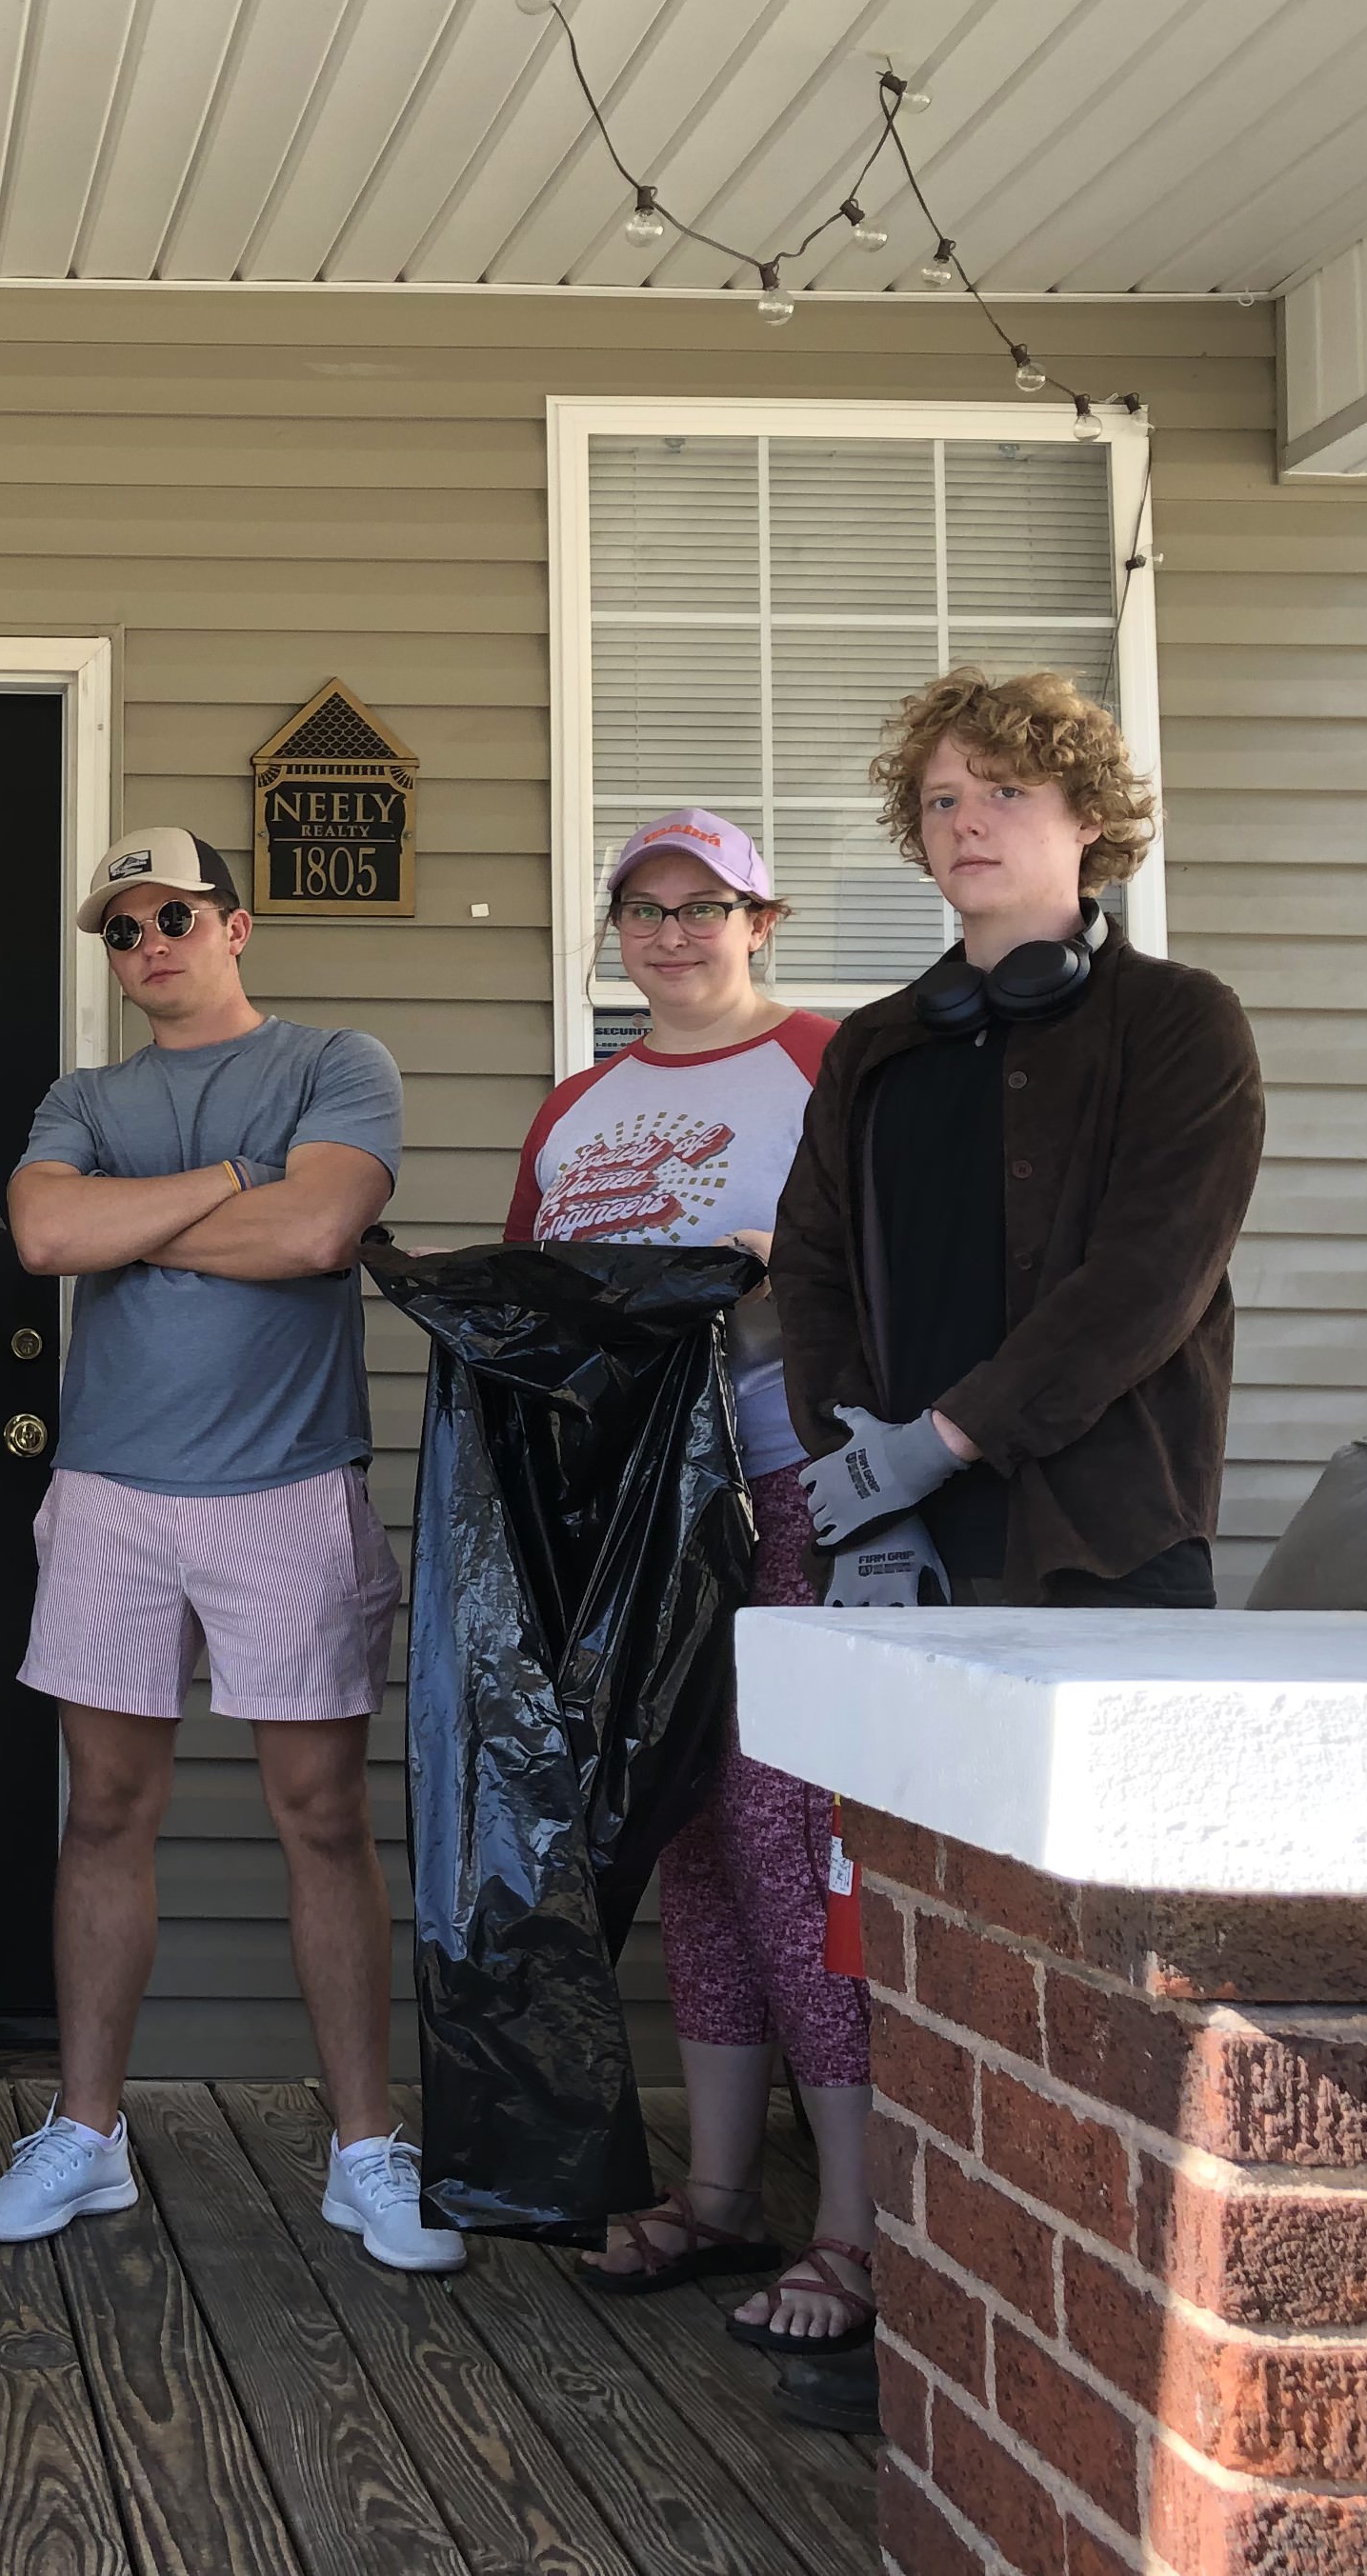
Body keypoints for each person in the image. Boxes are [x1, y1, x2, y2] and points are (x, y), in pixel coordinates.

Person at [0, 828, 457, 2276]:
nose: (148, 945)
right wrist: (216, 1188)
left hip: (285, 1487)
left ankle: (366, 2149)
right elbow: (47, 1235)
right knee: (106, 1807)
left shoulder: (333, 1061)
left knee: (321, 1815)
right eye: (120, 931)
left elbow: (317, 1231)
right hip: (112, 1490)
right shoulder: (85, 1092)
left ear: (234, 926)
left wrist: (149, 1222)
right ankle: (89, 2132)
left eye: (172, 915)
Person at [512, 811, 871, 2353]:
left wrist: (770, 1255)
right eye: (642, 908)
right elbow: (532, 1304)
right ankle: (720, 2189)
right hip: (629, 1513)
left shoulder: (824, 1063)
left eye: (700, 904)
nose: (670, 932)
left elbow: (884, 1263)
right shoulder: (576, 1105)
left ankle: (860, 2220)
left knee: (792, 1833)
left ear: (757, 915)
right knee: (688, 1838)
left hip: (783, 1484)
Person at [772, 669, 1264, 1616]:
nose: (966, 822)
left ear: (1088, 815)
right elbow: (810, 1267)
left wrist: (940, 1444)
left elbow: (1150, 1278)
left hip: (1106, 1546)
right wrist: (869, 1485)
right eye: (941, 800)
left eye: (1005, 790)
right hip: (902, 1555)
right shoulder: (875, 1044)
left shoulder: (1179, 1020)